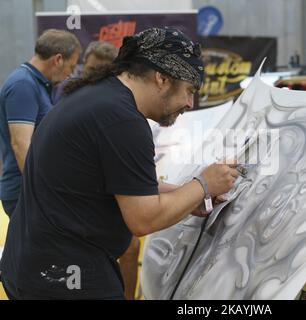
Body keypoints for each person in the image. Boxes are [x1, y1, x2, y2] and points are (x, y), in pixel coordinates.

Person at [0, 27, 239, 300]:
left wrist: (186, 194)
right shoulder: (122, 120)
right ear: (162, 78)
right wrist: (204, 183)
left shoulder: (99, 97)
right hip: (63, 278)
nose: (189, 102)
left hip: (32, 266)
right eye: (188, 90)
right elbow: (143, 218)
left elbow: (118, 182)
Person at [0, 29, 81, 218]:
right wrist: (41, 191)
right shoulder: (23, 85)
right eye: (71, 66)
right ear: (58, 59)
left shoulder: (39, 84)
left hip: (34, 188)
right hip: (25, 192)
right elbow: (21, 145)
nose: (70, 74)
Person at [53, 41, 118, 103]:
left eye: (102, 72)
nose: (95, 75)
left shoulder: (118, 96)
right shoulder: (67, 88)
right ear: (84, 65)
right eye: (91, 69)